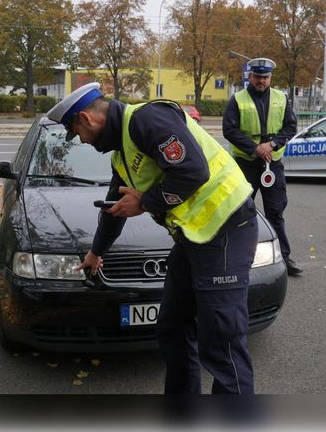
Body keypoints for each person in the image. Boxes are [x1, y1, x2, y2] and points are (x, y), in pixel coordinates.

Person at [46, 82, 258, 395]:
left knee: (221, 342)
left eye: (78, 133)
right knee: (172, 329)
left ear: (87, 119)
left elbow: (193, 170)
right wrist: (96, 251)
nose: (83, 140)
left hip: (226, 229)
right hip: (193, 238)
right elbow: (114, 208)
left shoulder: (147, 119)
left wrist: (146, 202)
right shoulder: (121, 155)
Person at [223, 57, 302, 277]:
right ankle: (237, 258)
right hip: (245, 164)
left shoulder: (280, 98)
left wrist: (273, 144)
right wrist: (255, 148)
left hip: (272, 164)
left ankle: (284, 259)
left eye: (265, 77)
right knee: (239, 211)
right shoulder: (237, 99)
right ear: (250, 76)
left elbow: (290, 126)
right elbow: (229, 130)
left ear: (270, 78)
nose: (262, 81)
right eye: (258, 76)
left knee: (276, 212)